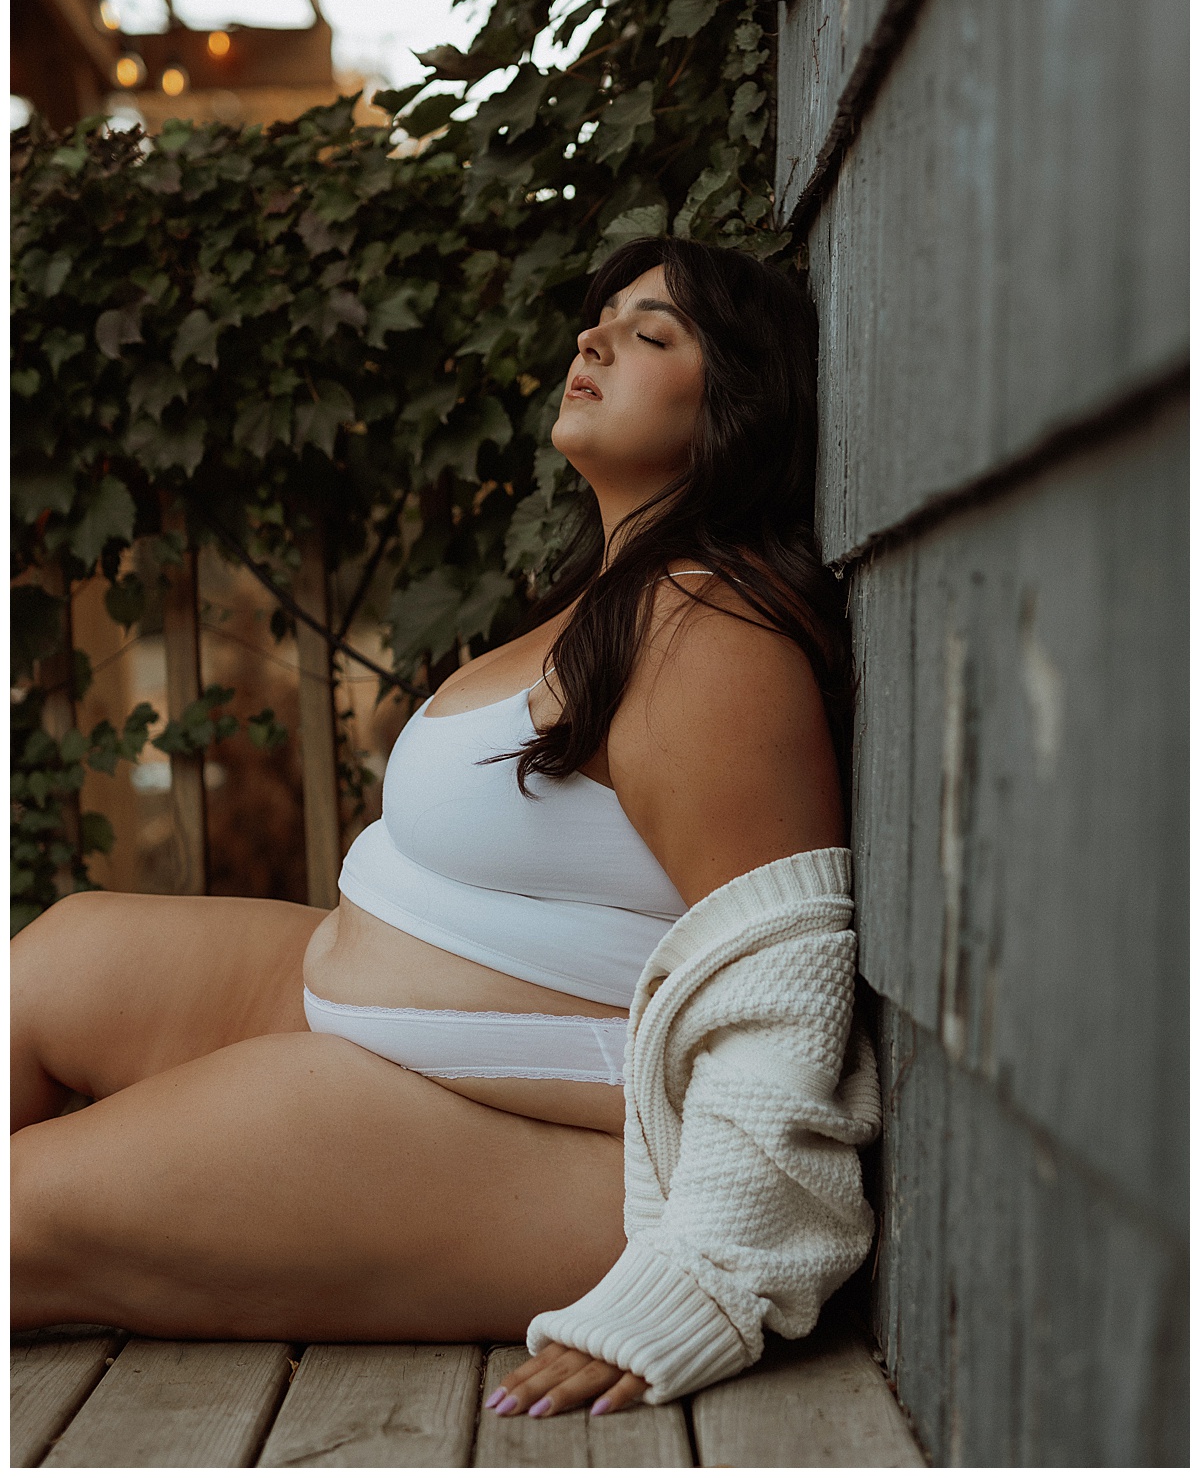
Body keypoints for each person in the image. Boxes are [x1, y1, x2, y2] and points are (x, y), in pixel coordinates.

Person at [11, 236, 878, 1419]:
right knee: (52, 962)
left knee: (18, 1216)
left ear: (737, 402)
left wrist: (704, 1274)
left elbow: (785, 992)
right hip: (360, 1010)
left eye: (651, 332)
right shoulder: (613, 594)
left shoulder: (710, 635)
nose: (593, 339)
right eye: (600, 315)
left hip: (528, 1132)